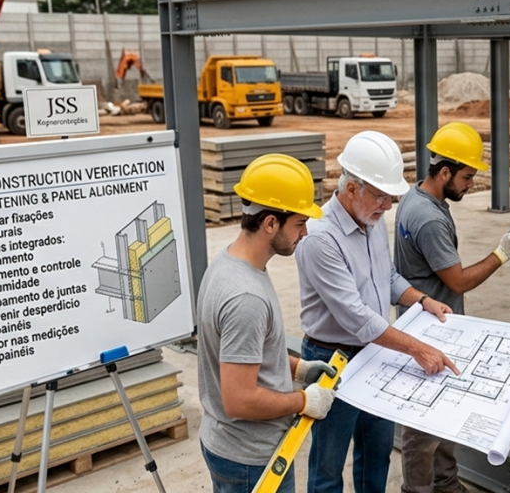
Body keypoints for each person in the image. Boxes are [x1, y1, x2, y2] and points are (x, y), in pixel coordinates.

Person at [296, 130, 461, 493]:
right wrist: (418, 348)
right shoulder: (320, 238)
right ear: (352, 188)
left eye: (390, 197)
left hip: (374, 351)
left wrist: (422, 299)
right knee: (328, 463)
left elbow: (384, 277)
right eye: (381, 195)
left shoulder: (370, 220)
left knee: (377, 454)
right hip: (331, 358)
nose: (388, 205)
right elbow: (356, 316)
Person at [394, 122, 510, 493]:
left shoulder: (417, 197)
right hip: (430, 326)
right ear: (445, 171)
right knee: (422, 422)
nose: (471, 184)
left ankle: (447, 484)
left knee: (442, 409)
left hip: (429, 321)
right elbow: (459, 281)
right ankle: (420, 490)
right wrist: (501, 254)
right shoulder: (429, 218)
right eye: (467, 177)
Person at [197, 154, 338, 493]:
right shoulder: (246, 298)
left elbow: (246, 353)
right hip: (249, 461)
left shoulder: (228, 262)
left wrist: (298, 368)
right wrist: (303, 401)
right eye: (300, 223)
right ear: (271, 223)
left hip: (227, 445)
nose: (305, 233)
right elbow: (239, 399)